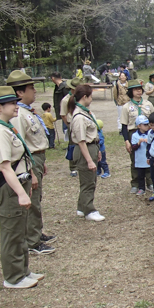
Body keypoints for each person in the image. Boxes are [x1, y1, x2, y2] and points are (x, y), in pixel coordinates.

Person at [0, 86, 44, 289]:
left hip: (18, 183)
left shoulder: (5, 127)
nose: (16, 107)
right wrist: (20, 193)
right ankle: (13, 277)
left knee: (19, 230)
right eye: (12, 104)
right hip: (8, 189)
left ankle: (23, 270)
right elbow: (5, 168)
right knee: (12, 233)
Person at [9, 71, 56, 256]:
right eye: (31, 88)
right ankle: (32, 241)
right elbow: (19, 145)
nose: (35, 92)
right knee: (33, 199)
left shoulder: (27, 111)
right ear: (20, 93)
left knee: (37, 198)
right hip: (28, 160)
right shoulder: (18, 114)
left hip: (36, 158)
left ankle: (36, 232)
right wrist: (30, 170)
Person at [68, 84, 105, 222]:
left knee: (88, 180)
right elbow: (81, 141)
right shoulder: (79, 116)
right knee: (88, 182)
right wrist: (89, 160)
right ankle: (89, 210)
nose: (91, 99)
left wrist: (97, 151)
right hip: (85, 149)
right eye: (90, 96)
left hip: (92, 147)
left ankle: (81, 207)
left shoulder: (86, 112)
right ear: (85, 97)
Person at [121, 79, 154, 193]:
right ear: (131, 91)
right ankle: (135, 183)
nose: (139, 92)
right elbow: (124, 126)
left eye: (140, 89)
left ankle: (150, 182)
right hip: (133, 133)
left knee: (150, 156)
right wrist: (126, 141)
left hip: (148, 132)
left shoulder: (148, 104)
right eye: (136, 90)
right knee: (135, 159)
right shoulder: (126, 107)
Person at [62, 78, 84, 177]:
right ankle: (73, 167)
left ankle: (82, 163)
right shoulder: (66, 100)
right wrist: (68, 125)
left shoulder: (81, 98)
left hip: (82, 122)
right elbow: (63, 114)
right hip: (72, 123)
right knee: (73, 145)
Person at [131, 115, 151, 196]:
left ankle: (151, 185)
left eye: (147, 124)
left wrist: (148, 141)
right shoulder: (135, 135)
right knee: (140, 175)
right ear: (139, 126)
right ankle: (141, 188)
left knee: (149, 173)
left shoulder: (150, 133)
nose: (147, 126)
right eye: (145, 125)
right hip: (139, 159)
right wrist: (139, 143)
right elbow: (133, 147)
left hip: (148, 158)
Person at [51, 72, 68, 143]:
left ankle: (70, 144)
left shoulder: (64, 87)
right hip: (62, 111)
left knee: (66, 128)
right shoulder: (58, 87)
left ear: (53, 78)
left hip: (66, 112)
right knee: (64, 129)